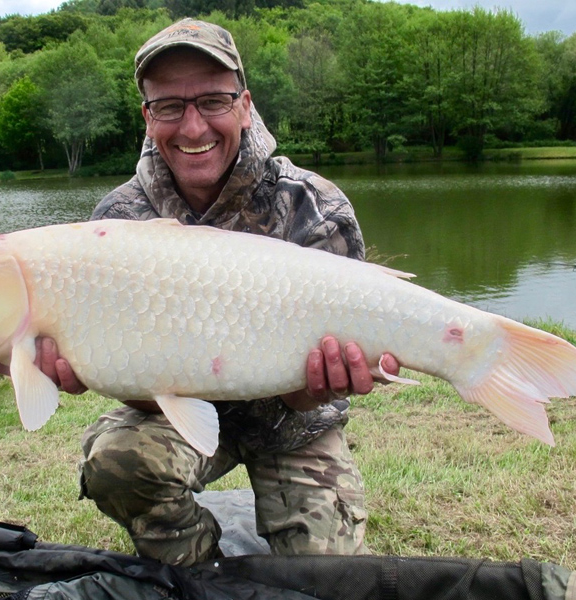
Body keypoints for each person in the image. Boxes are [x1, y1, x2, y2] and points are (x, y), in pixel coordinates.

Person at [23, 18, 400, 566]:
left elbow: (309, 395)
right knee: (118, 461)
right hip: (183, 415)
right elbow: (141, 386)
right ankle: (202, 574)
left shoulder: (312, 205)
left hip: (295, 422)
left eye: (214, 101)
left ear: (245, 105)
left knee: (327, 574)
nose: (193, 125)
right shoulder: (117, 223)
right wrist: (93, 368)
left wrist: (322, 383)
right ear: (148, 118)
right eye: (169, 107)